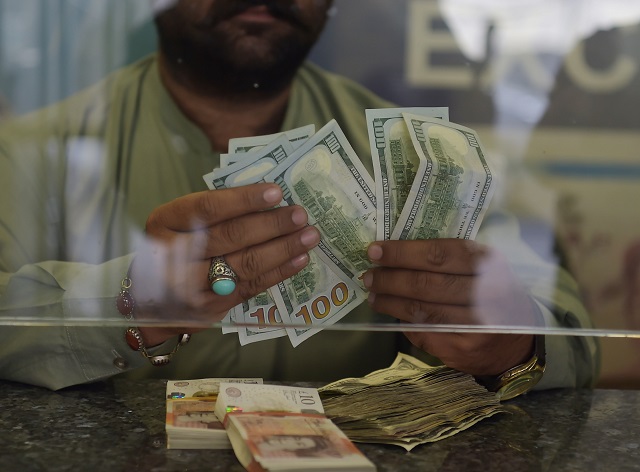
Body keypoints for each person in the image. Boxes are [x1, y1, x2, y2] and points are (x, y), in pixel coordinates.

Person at [0, 0, 597, 391]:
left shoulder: (420, 157)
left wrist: (514, 342)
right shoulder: (30, 155)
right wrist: (129, 305)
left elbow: (574, 333)